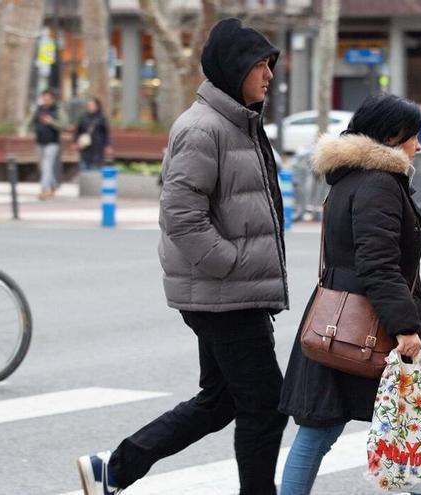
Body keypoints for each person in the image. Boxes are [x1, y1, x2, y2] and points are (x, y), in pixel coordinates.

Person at [77, 18, 288, 495]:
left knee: (220, 400)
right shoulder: (203, 128)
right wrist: (229, 264)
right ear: (235, 70)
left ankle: (113, 468)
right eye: (261, 66)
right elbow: (180, 213)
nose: (269, 76)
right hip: (225, 293)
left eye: (270, 66)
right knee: (265, 404)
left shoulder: (239, 123)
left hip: (230, 292)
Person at [277, 93, 421, 495]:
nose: (419, 145)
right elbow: (378, 265)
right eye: (415, 136)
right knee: (410, 431)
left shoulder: (353, 177)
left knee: (327, 431)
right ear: (393, 136)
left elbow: (390, 268)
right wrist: (406, 327)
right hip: (367, 326)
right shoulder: (380, 183)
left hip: (340, 320)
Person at [31, 89, 66, 200]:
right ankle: (53, 185)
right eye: (44, 98)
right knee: (42, 167)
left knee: (47, 165)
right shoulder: (38, 109)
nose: (46, 100)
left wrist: (52, 122)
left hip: (52, 142)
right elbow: (30, 120)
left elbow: (64, 124)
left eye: (48, 98)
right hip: (40, 141)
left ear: (52, 99)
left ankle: (44, 190)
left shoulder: (57, 110)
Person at [75, 97, 110, 171]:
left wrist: (107, 145)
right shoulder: (83, 117)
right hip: (85, 147)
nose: (90, 107)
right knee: (84, 168)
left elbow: (106, 132)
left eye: (92, 105)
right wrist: (75, 142)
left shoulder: (101, 117)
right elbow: (78, 130)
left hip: (97, 148)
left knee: (95, 170)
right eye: (89, 105)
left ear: (97, 106)